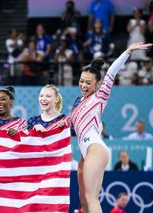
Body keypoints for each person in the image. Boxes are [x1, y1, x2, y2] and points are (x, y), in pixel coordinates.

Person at [70, 42, 152, 213]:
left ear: (97, 84)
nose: (84, 85)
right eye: (81, 81)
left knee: (91, 199)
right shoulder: (78, 103)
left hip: (95, 150)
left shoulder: (100, 96)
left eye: (88, 82)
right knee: (83, 200)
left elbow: (111, 73)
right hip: (86, 153)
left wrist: (127, 52)